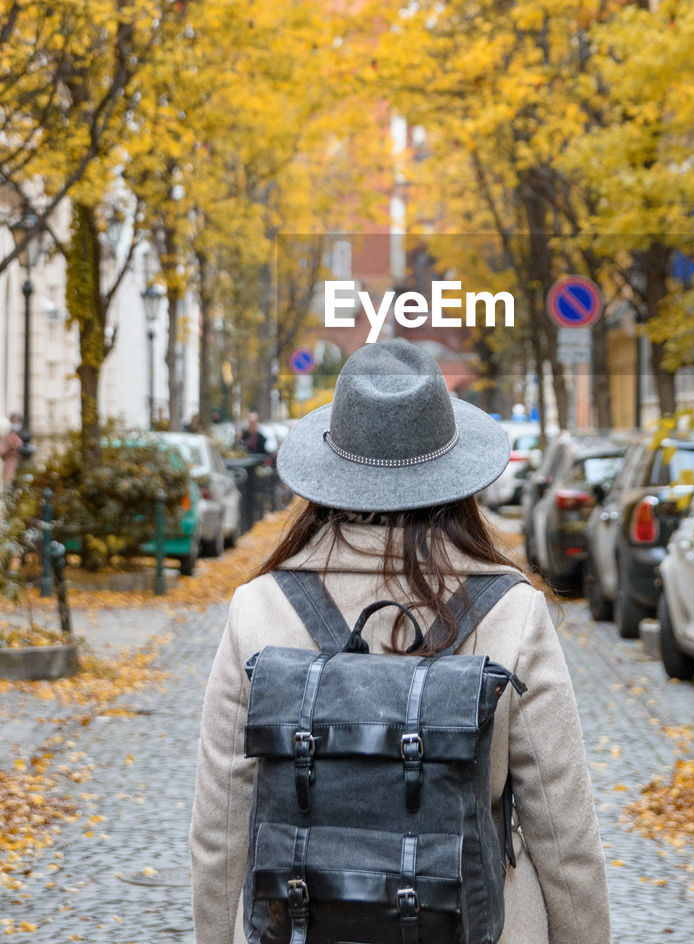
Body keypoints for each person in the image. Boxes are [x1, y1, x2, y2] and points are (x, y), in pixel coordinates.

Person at [190, 340, 611, 944]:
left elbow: (223, 829)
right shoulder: (511, 612)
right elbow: (564, 835)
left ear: (329, 474)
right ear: (457, 476)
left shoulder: (259, 608)